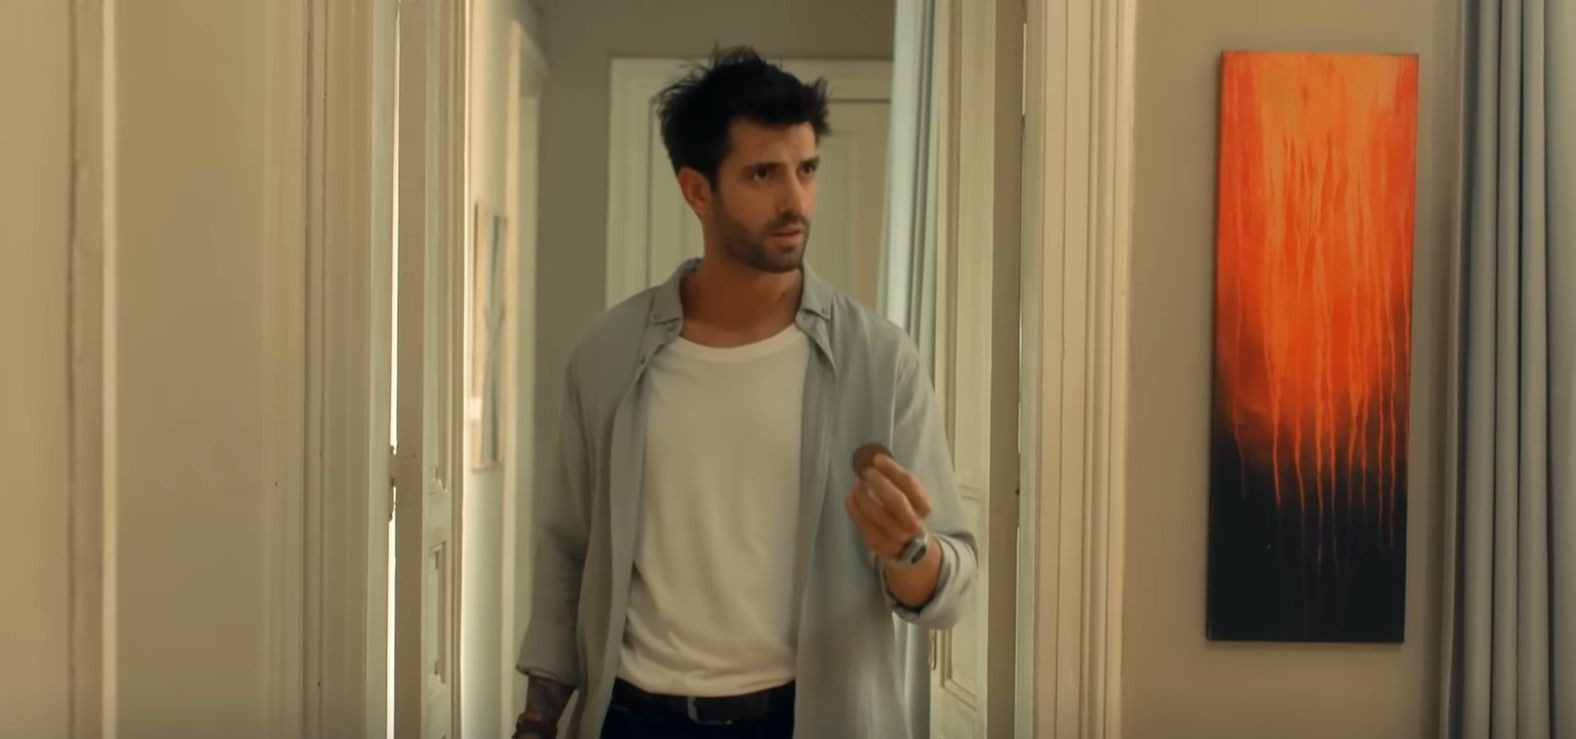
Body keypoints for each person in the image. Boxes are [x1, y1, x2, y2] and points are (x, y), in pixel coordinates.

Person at [512, 47, 976, 739]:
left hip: (807, 718)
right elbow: (567, 554)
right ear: (697, 190)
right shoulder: (608, 356)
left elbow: (951, 589)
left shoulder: (880, 360)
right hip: (638, 719)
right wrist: (537, 720)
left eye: (806, 169)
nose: (795, 201)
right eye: (764, 174)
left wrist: (908, 548)